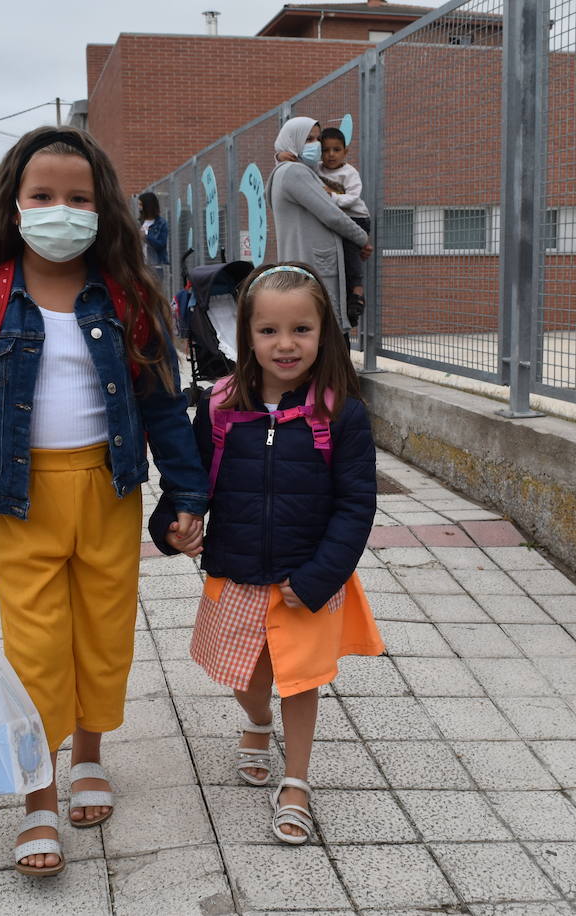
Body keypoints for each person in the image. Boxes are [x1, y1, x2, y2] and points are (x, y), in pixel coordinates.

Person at [0, 126, 208, 877]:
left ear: (102, 210)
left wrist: (187, 490)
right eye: (43, 196)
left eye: (79, 198)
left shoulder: (130, 299)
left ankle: (90, 756)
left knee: (104, 633)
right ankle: (38, 791)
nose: (61, 211)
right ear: (13, 206)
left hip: (109, 491)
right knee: (36, 646)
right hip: (20, 501)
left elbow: (163, 405)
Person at [150, 262, 381, 846]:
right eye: (269, 331)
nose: (285, 345)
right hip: (237, 570)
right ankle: (256, 721)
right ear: (246, 336)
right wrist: (171, 525)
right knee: (247, 676)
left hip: (307, 577)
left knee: (300, 680)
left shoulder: (342, 413)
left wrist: (323, 575)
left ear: (324, 333)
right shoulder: (220, 407)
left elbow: (356, 505)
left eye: (301, 329)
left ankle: (296, 782)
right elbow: (189, 482)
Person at [269, 117, 371, 337]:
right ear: (292, 141)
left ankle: (356, 294)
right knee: (326, 332)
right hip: (316, 268)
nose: (315, 145)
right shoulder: (295, 172)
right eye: (308, 139)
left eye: (317, 139)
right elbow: (333, 216)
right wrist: (362, 239)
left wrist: (278, 156)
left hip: (305, 268)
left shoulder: (291, 171)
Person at [318, 127, 371, 327]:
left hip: (356, 217)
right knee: (337, 259)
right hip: (336, 218)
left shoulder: (349, 172)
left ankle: (357, 293)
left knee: (350, 254)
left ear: (345, 152)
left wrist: (330, 197)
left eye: (336, 150)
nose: (331, 154)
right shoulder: (316, 169)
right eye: (325, 150)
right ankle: (345, 301)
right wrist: (279, 155)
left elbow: (352, 198)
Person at [138, 190, 169, 285]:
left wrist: (146, 237)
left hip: (155, 267)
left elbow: (161, 244)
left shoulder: (161, 223)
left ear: (147, 205)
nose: (139, 207)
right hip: (141, 266)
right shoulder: (139, 222)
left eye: (141, 204)